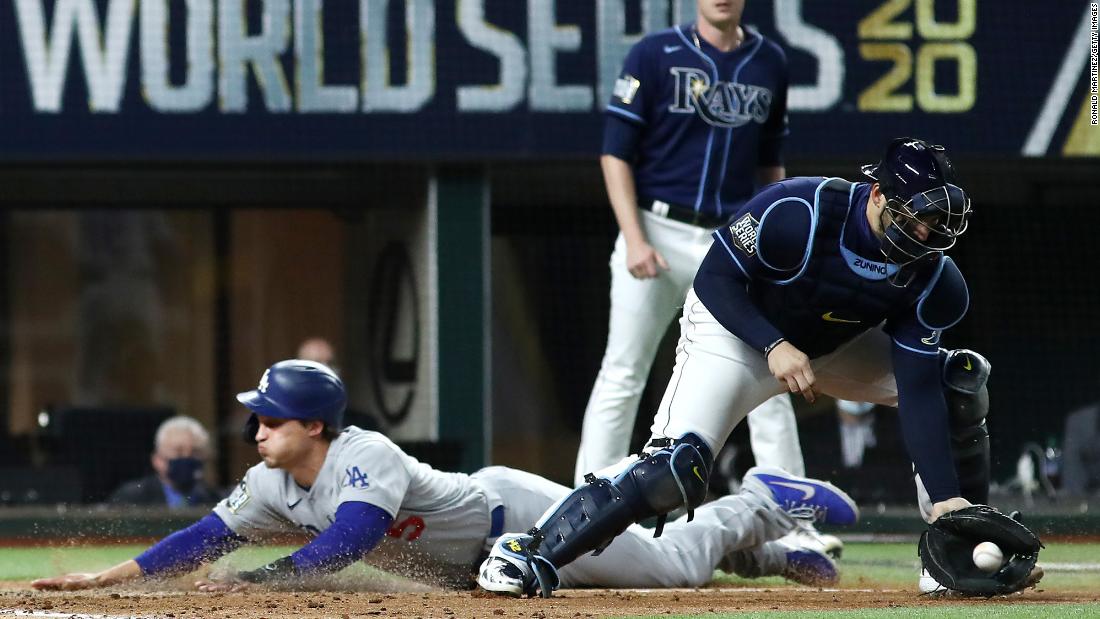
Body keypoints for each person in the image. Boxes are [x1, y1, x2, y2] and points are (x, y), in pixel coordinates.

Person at [478, 137, 1007, 598]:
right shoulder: (799, 210)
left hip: (830, 347)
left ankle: (954, 551)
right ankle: (529, 551)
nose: (922, 231)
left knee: (957, 382)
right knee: (672, 471)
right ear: (876, 194)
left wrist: (944, 498)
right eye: (912, 214)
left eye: (934, 219)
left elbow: (915, 390)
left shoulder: (936, 278)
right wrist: (773, 344)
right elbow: (713, 280)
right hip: (735, 333)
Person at [33, 360, 857, 592]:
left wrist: (254, 584)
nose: (256, 428)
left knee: (670, 568)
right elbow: (203, 535)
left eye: (271, 418)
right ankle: (763, 556)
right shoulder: (269, 484)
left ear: (313, 425)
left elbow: (349, 541)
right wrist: (108, 576)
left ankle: (756, 503)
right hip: (476, 562)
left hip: (522, 522)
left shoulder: (366, 455)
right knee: (659, 550)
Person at [579, 0, 822, 552]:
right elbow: (615, 154)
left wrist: (773, 241)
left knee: (770, 371)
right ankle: (585, 507)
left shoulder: (769, 61)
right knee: (623, 371)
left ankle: (796, 522)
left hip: (732, 240)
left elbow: (770, 163)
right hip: (657, 226)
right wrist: (634, 237)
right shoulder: (655, 52)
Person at [109, 416, 220, 508]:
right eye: (178, 451)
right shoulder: (130, 498)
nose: (187, 457)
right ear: (157, 459)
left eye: (195, 452)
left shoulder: (217, 501)